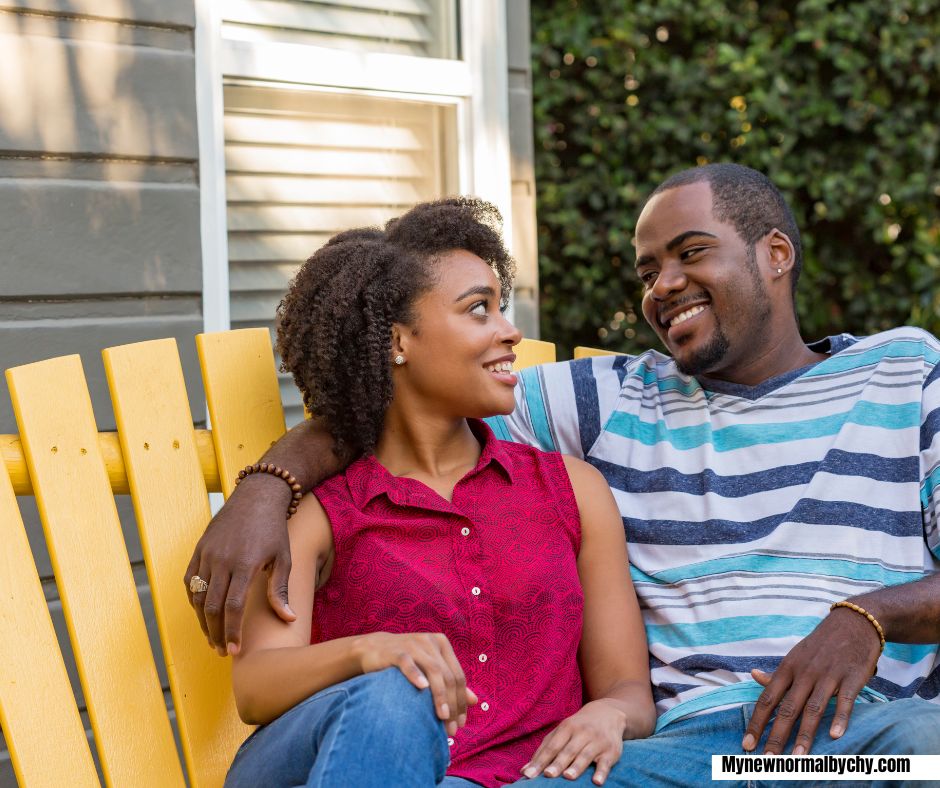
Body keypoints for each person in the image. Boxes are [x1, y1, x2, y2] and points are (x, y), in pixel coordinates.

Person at [190, 165, 940, 784]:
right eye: (650, 271)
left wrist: (870, 615)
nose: (663, 285)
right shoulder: (608, 397)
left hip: (860, 739)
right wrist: (267, 486)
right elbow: (388, 415)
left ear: (775, 254)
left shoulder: (906, 371)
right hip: (690, 757)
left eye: (690, 253)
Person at [221, 197, 655, 788]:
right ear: (397, 341)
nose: (510, 332)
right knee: (391, 695)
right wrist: (370, 653)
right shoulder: (325, 512)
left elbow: (628, 689)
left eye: (501, 308)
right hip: (359, 761)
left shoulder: (572, 492)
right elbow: (255, 688)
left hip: (541, 778)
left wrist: (609, 713)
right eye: (479, 310)